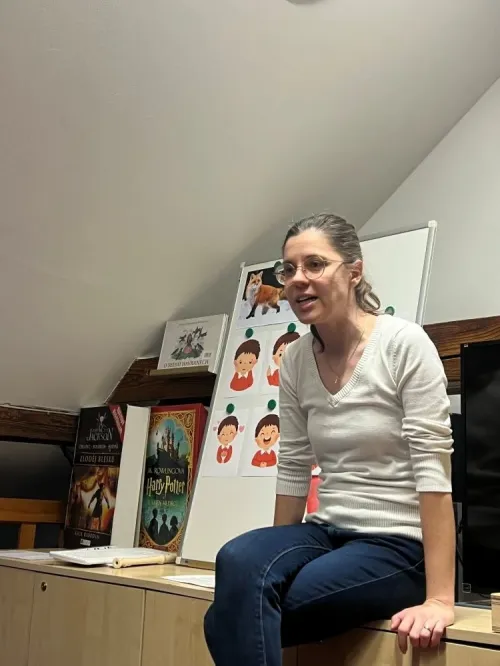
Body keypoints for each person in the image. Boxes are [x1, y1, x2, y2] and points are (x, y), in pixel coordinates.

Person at [204, 213, 456, 665]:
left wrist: (439, 599)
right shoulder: (296, 359)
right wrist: (272, 558)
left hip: (397, 544)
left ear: (354, 272)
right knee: (238, 559)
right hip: (326, 533)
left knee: (231, 614)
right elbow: (293, 463)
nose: (297, 280)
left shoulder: (404, 344)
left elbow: (433, 472)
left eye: (315, 264)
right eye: (288, 269)